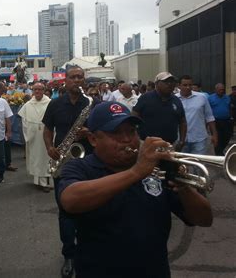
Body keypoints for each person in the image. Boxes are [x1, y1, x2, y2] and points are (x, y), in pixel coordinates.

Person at [59, 101, 213, 278]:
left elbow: (204, 219)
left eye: (131, 131)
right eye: (115, 133)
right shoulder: (80, 168)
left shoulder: (157, 169)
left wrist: (183, 185)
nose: (126, 139)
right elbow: (70, 200)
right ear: (93, 139)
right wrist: (137, 172)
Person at [42, 65, 91, 278]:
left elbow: (103, 130)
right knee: (65, 212)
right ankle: (69, 254)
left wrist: (89, 131)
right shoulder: (55, 104)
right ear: (66, 80)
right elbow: (47, 129)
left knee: (89, 210)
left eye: (80, 77)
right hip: (63, 162)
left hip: (87, 161)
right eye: (73, 77)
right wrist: (50, 148)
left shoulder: (91, 103)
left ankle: (88, 250)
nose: (77, 80)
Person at [132, 72, 187, 151]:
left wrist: (182, 141)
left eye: (172, 82)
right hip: (148, 145)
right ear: (157, 83)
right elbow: (134, 118)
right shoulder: (145, 98)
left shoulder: (176, 100)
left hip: (169, 146)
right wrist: (136, 138)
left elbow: (182, 122)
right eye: (166, 82)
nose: (170, 84)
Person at [18, 82, 52, 192]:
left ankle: (48, 182)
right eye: (35, 89)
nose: (37, 91)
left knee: (47, 158)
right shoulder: (28, 104)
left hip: (47, 135)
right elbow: (24, 121)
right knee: (36, 159)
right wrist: (28, 134)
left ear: (44, 90)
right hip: (33, 136)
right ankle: (38, 182)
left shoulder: (50, 103)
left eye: (39, 89)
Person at [176, 75, 217, 155]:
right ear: (179, 86)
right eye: (185, 85)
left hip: (199, 139)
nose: (188, 87)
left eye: (190, 85)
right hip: (181, 140)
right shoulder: (174, 99)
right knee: (181, 166)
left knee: (198, 165)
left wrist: (214, 134)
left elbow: (209, 117)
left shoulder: (202, 97)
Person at [208, 83, 232, 156]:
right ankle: (219, 154)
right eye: (220, 90)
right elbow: (207, 110)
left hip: (226, 121)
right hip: (216, 122)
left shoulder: (227, 98)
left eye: (222, 90)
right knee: (218, 137)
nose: (221, 91)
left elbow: (229, 108)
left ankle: (220, 150)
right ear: (215, 90)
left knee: (227, 137)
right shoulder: (210, 98)